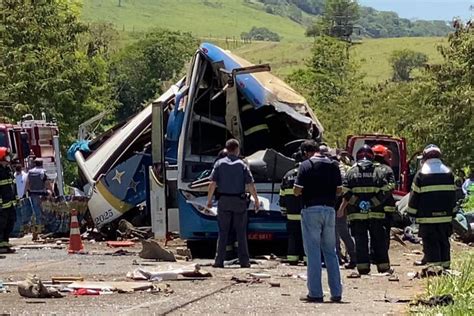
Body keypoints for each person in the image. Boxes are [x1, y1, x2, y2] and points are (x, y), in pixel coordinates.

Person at [294, 140, 343, 303]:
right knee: (331, 252)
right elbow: (339, 190)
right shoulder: (333, 165)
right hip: (329, 210)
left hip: (311, 210)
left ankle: (315, 293)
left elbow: (297, 190)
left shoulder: (305, 165)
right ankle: (336, 292)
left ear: (306, 152)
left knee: (313, 252)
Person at [341, 145, 394, 276]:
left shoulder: (351, 172)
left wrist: (359, 203)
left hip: (357, 214)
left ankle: (363, 268)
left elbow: (344, 191)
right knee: (379, 241)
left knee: (360, 241)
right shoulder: (379, 171)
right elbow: (386, 190)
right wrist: (372, 203)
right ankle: (383, 267)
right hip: (376, 213)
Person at [207, 139, 259, 268]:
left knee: (223, 232)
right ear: (237, 149)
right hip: (239, 202)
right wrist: (256, 200)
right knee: (241, 233)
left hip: (223, 201)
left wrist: (209, 201)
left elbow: (212, 183)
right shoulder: (242, 165)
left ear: (227, 149)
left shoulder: (219, 164)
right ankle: (244, 262)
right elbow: (250, 185)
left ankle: (219, 261)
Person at [408, 145, 456, 269]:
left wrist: (411, 213)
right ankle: (445, 267)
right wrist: (453, 212)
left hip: (427, 219)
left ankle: (434, 270)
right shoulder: (448, 173)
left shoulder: (421, 174)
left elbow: (414, 196)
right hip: (445, 218)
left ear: (425, 157)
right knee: (444, 242)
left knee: (430, 242)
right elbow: (453, 196)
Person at [279, 146, 305, 265]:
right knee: (306, 237)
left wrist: (284, 210)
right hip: (305, 213)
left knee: (293, 237)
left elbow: (282, 195)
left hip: (291, 214)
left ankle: (292, 259)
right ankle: (306, 259)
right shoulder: (306, 172)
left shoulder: (287, 175)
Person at [372, 145, 396, 250]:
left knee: (372, 231)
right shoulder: (388, 169)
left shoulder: (367, 168)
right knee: (385, 232)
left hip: (371, 207)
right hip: (386, 208)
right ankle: (383, 254)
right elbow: (391, 187)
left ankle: (372, 254)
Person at [335, 151, 357, 269]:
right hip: (338, 206)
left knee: (342, 233)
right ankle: (339, 257)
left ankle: (353, 257)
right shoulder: (345, 169)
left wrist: (342, 208)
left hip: (339, 206)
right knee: (337, 233)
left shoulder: (342, 171)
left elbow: (346, 192)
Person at [25, 159, 51, 239]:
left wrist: (26, 192)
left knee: (36, 213)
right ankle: (43, 230)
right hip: (42, 195)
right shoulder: (43, 172)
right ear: (42, 163)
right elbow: (47, 183)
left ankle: (37, 231)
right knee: (45, 212)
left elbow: (27, 183)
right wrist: (50, 191)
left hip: (33, 194)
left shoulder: (30, 172)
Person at [0, 147, 17, 253]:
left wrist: (16, 198)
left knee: (10, 222)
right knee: (1, 224)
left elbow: (12, 185)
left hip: (9, 203)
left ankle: (5, 243)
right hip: (2, 204)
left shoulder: (8, 169)